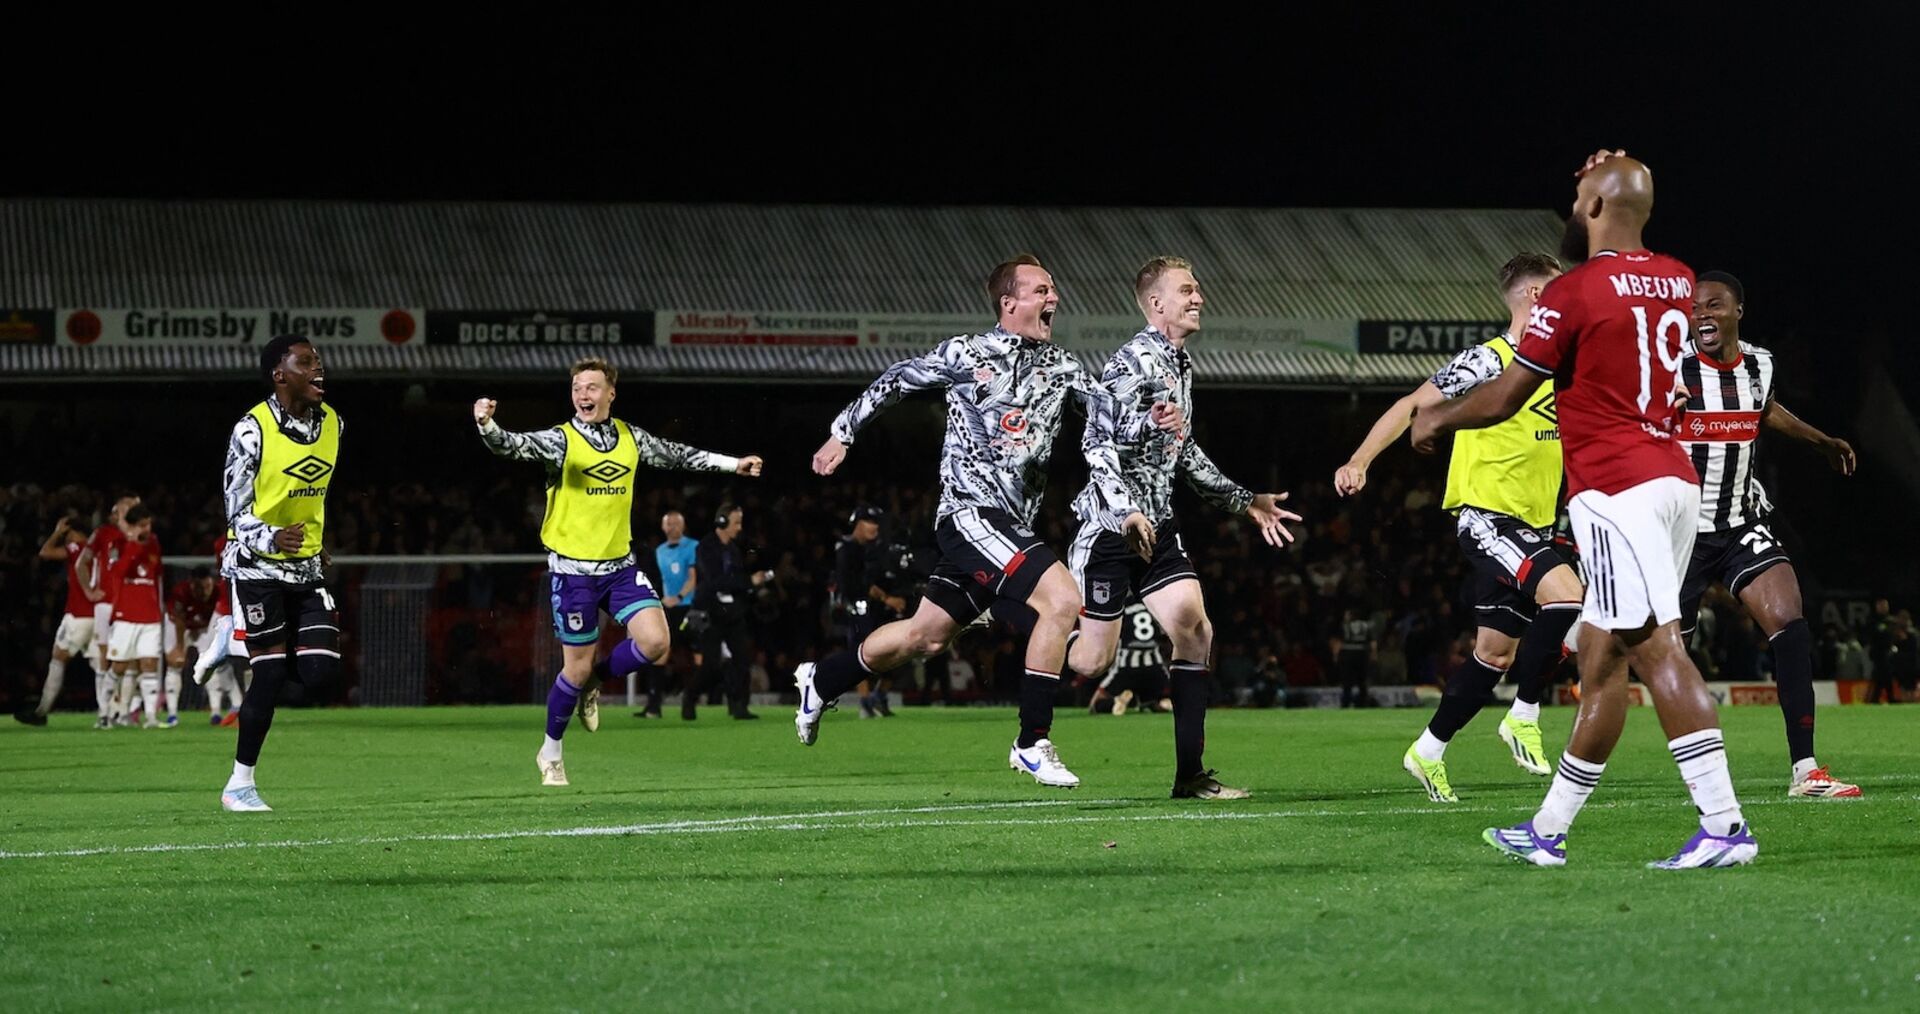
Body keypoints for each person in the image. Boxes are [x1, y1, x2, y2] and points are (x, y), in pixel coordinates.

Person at [1414, 150, 1757, 869]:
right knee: (1601, 662)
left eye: (1578, 199)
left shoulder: (1571, 293)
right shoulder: (1677, 279)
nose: (1571, 211)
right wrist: (1616, 169)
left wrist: (1436, 417)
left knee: (1658, 647)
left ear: (1596, 206)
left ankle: (1725, 827)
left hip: (1615, 491)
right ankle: (1548, 830)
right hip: (1673, 481)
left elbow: (1506, 396)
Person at [798, 254, 1163, 788]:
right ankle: (1031, 741)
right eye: (1041, 290)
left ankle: (822, 679)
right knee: (1062, 600)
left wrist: (1149, 422)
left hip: (1009, 529)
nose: (1054, 297)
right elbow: (899, 379)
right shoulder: (967, 353)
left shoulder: (1063, 366)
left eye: (1053, 290)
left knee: (925, 637)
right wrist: (842, 432)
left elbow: (1108, 421)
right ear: (1009, 303)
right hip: (969, 515)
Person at [1336, 252, 1584, 800]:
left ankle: (1427, 752)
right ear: (1536, 297)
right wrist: (1360, 460)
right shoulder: (1491, 360)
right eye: (1560, 290)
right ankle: (1524, 713)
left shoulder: (1561, 366)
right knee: (1567, 597)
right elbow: (1412, 404)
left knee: (1493, 655)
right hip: (1489, 517)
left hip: (1537, 525)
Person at [1061, 256, 1299, 799]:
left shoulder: (1179, 365)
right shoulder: (1131, 362)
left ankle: (1190, 776)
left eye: (1197, 289)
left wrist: (1246, 501)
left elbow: (1182, 450)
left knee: (1195, 629)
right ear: (1156, 303)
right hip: (1110, 529)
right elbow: (1097, 442)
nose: (1199, 298)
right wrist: (1127, 510)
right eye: (1187, 290)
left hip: (1159, 529)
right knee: (1093, 662)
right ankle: (1045, 621)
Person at [475, 356, 761, 786]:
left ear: (611, 393)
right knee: (574, 669)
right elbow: (511, 445)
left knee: (656, 642)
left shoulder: (631, 438)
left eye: (591, 387)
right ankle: (550, 750)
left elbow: (677, 455)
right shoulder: (561, 440)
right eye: (577, 388)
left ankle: (597, 681)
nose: (582, 395)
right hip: (573, 573)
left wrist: (733, 464)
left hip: (619, 568)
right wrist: (487, 425)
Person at [1676, 271, 1861, 798]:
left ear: (1739, 311)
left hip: (1741, 521)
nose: (1702, 314)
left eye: (1714, 305)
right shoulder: (1673, 366)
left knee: (1789, 621)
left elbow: (1766, 409)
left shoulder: (1761, 363)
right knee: (1664, 651)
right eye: (1695, 307)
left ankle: (1805, 769)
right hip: (1680, 531)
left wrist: (1820, 441)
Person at [217, 334, 345, 811]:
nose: (318, 368)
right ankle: (239, 785)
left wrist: (315, 540)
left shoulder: (334, 424)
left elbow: (309, 495)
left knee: (320, 670)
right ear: (279, 374)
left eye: (318, 360)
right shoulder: (251, 430)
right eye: (305, 362)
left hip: (305, 564)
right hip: (256, 565)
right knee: (268, 676)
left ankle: (236, 639)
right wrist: (272, 536)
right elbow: (235, 510)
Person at [690, 503, 771, 721]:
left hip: (732, 612)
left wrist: (753, 585)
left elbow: (735, 581)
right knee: (710, 664)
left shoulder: (733, 550)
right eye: (736, 523)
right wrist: (749, 581)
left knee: (742, 658)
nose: (739, 528)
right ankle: (690, 696)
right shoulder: (705, 547)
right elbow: (715, 580)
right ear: (722, 522)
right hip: (710, 611)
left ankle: (739, 705)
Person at [14, 514, 94, 726]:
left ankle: (41, 711)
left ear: (70, 531)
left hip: (78, 615)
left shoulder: (77, 547)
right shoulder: (97, 548)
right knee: (104, 666)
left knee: (58, 659)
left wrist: (57, 532)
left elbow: (45, 552)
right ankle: (118, 712)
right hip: (97, 615)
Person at [834, 504, 906, 718]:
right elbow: (852, 583)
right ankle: (865, 702)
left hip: (880, 610)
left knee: (898, 652)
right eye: (869, 522)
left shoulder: (878, 549)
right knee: (861, 652)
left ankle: (879, 697)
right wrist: (887, 598)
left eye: (876, 523)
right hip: (858, 608)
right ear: (857, 523)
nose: (874, 527)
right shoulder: (846, 547)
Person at [79, 495, 139, 727]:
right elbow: (81, 563)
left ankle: (123, 712)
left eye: (125, 510)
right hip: (105, 603)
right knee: (104, 657)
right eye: (118, 510)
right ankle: (104, 713)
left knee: (129, 658)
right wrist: (89, 591)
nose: (119, 514)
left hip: (128, 603)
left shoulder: (139, 535)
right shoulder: (103, 534)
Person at [106, 506, 167, 728]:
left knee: (149, 663)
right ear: (132, 526)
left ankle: (151, 717)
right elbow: (118, 572)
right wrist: (133, 544)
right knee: (119, 666)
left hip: (150, 615)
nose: (147, 529)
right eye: (142, 525)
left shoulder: (154, 543)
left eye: (149, 524)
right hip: (125, 615)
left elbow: (157, 573)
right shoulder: (118, 543)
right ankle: (105, 713)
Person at [637, 510, 698, 719]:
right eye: (669, 523)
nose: (673, 527)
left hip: (689, 607)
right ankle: (654, 706)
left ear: (683, 525)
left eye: (676, 523)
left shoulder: (693, 546)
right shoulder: (659, 551)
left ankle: (695, 701)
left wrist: (679, 597)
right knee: (660, 652)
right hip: (668, 608)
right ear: (663, 527)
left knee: (696, 656)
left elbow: (693, 577)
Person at [190, 536, 250, 726]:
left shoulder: (257, 535)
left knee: (252, 657)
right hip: (224, 605)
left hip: (249, 604)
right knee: (209, 653)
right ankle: (237, 704)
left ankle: (250, 706)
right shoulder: (220, 543)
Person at [166, 567, 218, 725]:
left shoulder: (217, 591)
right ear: (193, 584)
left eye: (208, 585)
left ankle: (216, 712)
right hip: (179, 626)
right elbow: (179, 619)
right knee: (175, 663)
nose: (206, 590)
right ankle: (172, 714)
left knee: (211, 664)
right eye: (202, 586)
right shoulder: (181, 591)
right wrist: (179, 647)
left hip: (203, 627)